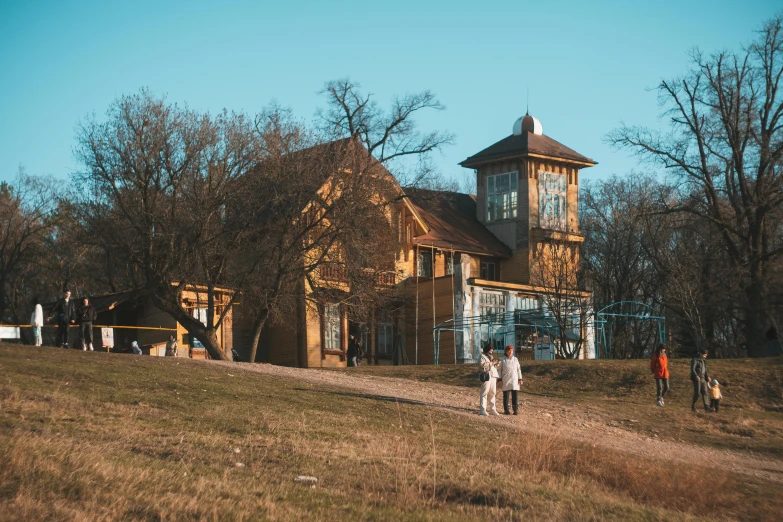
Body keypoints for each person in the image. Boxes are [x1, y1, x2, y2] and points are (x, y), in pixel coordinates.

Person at [498, 345, 524, 415]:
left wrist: (520, 379)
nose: (510, 352)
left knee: (515, 396)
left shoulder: (515, 359)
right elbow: (499, 370)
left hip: (514, 380)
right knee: (506, 396)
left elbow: (518, 369)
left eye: (511, 351)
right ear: (506, 351)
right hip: (506, 379)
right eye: (509, 350)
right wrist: (499, 379)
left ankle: (515, 410)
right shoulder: (502, 359)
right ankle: (506, 410)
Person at [479, 344, 500, 416]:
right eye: (491, 349)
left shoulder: (491, 356)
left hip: (493, 375)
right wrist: (492, 363)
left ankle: (493, 409)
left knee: (493, 392)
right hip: (486, 375)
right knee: (484, 392)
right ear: (487, 349)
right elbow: (482, 364)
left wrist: (496, 364)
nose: (492, 351)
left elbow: (493, 366)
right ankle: (482, 409)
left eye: (492, 349)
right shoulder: (482, 356)